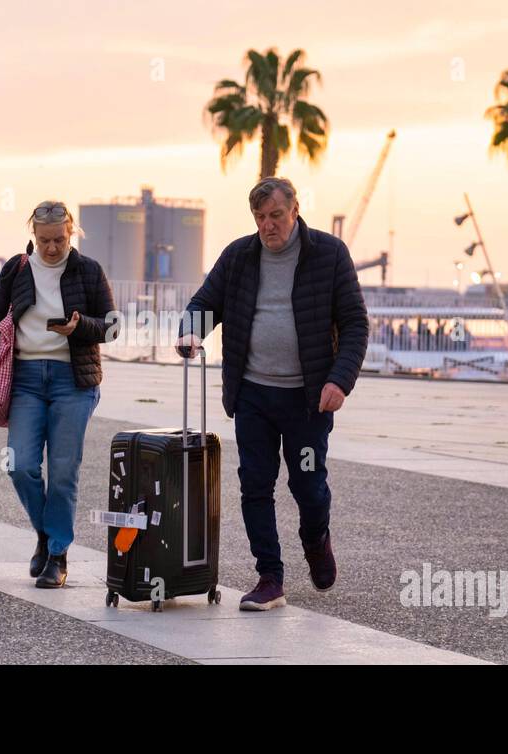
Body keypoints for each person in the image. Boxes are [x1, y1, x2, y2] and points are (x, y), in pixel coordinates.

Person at [175, 176, 369, 611]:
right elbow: (206, 303)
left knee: (308, 486)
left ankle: (316, 539)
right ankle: (269, 577)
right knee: (255, 485)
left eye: (276, 216)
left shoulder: (329, 254)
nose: (268, 226)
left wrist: (340, 380)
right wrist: (191, 332)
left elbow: (355, 322)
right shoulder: (239, 256)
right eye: (260, 218)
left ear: (295, 211)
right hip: (253, 395)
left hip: (308, 399)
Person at [0, 201, 116, 588]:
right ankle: (46, 534)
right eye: (44, 241)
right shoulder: (17, 269)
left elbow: (111, 328)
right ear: (33, 236)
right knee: (19, 464)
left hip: (73, 382)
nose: (52, 248)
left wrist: (79, 327)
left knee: (62, 471)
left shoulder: (88, 271)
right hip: (25, 379)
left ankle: (57, 554)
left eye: (59, 240)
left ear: (70, 233)